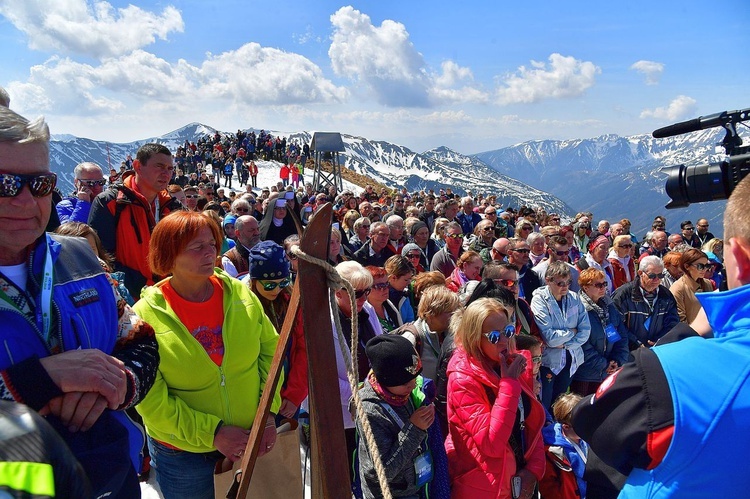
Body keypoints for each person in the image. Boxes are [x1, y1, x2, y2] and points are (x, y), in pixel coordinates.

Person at [0, 105, 158, 498]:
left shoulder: (79, 256)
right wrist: (40, 382)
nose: (25, 200)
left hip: (108, 476)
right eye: (4, 184)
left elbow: (140, 339)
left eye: (38, 184)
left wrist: (117, 383)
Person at [572, 175, 750, 498]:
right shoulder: (627, 295)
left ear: (737, 258)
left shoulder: (670, 373)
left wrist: (677, 342)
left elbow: (591, 423)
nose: (710, 273)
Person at [133, 211, 281, 499]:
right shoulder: (145, 315)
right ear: (169, 254)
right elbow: (150, 400)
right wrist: (213, 433)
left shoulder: (239, 294)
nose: (210, 252)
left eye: (212, 243)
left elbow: (270, 355)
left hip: (251, 440)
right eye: (197, 246)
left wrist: (268, 415)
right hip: (183, 459)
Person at [445, 297, 545, 498]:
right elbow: (491, 444)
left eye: (508, 331)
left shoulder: (512, 363)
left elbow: (531, 424)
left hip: (517, 480)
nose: (504, 341)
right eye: (493, 336)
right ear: (474, 338)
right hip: (486, 487)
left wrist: (534, 469)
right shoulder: (462, 379)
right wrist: (508, 384)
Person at [89, 142, 183, 299]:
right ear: (138, 166)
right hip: (129, 298)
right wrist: (141, 285)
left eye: (169, 169)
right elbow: (102, 257)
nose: (166, 174)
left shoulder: (172, 206)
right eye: (159, 166)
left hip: (169, 293)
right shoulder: (111, 202)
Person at [356, 335, 437, 499]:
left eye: (415, 377)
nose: (413, 385)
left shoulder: (401, 393)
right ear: (386, 379)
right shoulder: (371, 411)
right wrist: (415, 429)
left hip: (413, 486)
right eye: (405, 381)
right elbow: (383, 472)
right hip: (391, 494)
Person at [244, 241, 307, 420]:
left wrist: (294, 395)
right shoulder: (242, 306)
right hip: (254, 400)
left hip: (287, 396)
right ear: (254, 281)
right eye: (270, 285)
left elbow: (304, 350)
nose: (277, 290)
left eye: (283, 282)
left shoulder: (292, 303)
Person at [531, 261, 591, 411]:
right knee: (545, 403)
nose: (565, 286)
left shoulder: (574, 298)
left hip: (571, 359)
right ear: (548, 280)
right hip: (549, 362)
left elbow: (585, 330)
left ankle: (560, 431)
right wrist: (572, 332)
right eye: (560, 283)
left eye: (568, 282)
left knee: (562, 403)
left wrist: (565, 344)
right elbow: (549, 337)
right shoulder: (539, 300)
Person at [569, 268, 629, 396]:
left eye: (604, 284)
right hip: (585, 374)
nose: (603, 288)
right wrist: (603, 364)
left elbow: (621, 337)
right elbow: (581, 343)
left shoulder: (609, 307)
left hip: (608, 372)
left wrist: (617, 361)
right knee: (583, 411)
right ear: (585, 287)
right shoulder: (578, 309)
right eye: (598, 285)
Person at [612, 255, 680, 350]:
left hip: (657, 349)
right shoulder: (623, 295)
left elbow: (673, 322)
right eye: (652, 276)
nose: (657, 280)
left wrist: (659, 340)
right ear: (640, 273)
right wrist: (636, 343)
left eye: (660, 275)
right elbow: (616, 325)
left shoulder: (666, 295)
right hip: (629, 352)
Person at [539, 393, 588, 499]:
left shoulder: (584, 439)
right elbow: (548, 489)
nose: (586, 429)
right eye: (581, 426)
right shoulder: (552, 452)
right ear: (566, 426)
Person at [669, 248, 713, 324]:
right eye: (700, 266)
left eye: (707, 266)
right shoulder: (677, 288)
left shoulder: (708, 284)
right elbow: (680, 320)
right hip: (690, 334)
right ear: (686, 266)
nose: (704, 269)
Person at [366, 265, 403, 333]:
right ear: (367, 289)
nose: (386, 289)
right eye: (380, 286)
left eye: (387, 284)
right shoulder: (364, 315)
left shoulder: (390, 307)